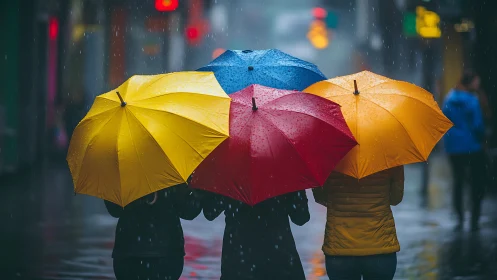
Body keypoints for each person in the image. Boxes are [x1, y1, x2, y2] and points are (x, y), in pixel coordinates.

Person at [313, 166, 404, 280]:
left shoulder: (326, 158)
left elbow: (320, 197)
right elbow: (395, 199)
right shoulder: (389, 157)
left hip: (340, 249)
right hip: (380, 247)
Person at [201, 190, 310, 280]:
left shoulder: (227, 170)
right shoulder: (285, 171)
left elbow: (210, 212)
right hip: (279, 258)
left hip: (238, 258)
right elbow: (301, 217)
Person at [104, 184, 201, 280]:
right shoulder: (171, 175)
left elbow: (114, 210)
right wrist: (193, 188)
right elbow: (189, 211)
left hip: (128, 253)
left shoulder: (124, 175)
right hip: (167, 255)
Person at [442, 70, 487, 231]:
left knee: (458, 181)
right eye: (476, 81)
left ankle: (459, 214)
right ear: (471, 82)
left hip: (454, 148)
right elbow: (478, 126)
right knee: (476, 182)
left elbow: (443, 122)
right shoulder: (473, 101)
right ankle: (474, 215)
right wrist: (483, 138)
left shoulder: (448, 99)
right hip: (472, 147)